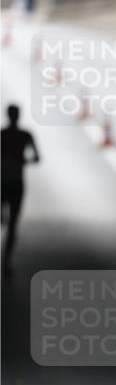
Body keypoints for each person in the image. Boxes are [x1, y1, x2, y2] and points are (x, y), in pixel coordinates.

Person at [1, 104, 40, 275]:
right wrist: (23, 161)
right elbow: (37, 158)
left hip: (2, 181)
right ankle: (7, 261)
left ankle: (7, 260)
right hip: (17, 182)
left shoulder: (1, 135)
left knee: (9, 221)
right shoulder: (25, 135)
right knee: (13, 224)